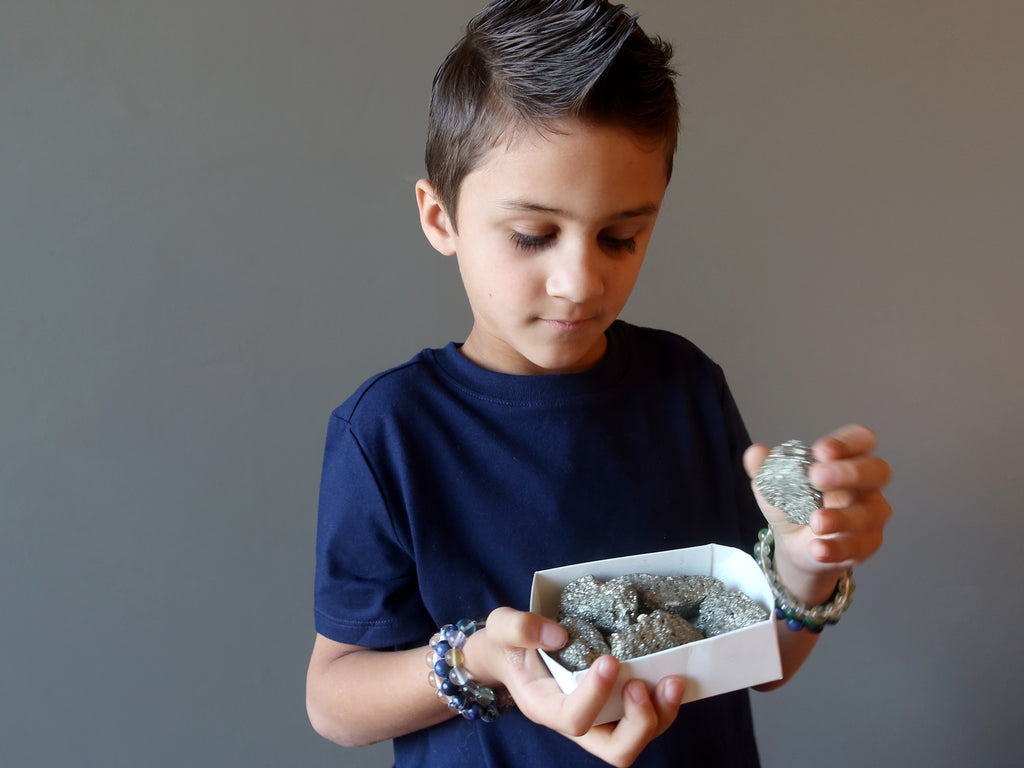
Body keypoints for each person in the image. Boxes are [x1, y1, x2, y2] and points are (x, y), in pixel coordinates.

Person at [305, 1, 892, 766]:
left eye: (620, 237)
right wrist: (477, 659)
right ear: (440, 216)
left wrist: (805, 569)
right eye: (532, 235)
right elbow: (335, 702)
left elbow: (760, 660)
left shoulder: (685, 387)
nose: (579, 282)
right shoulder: (389, 432)